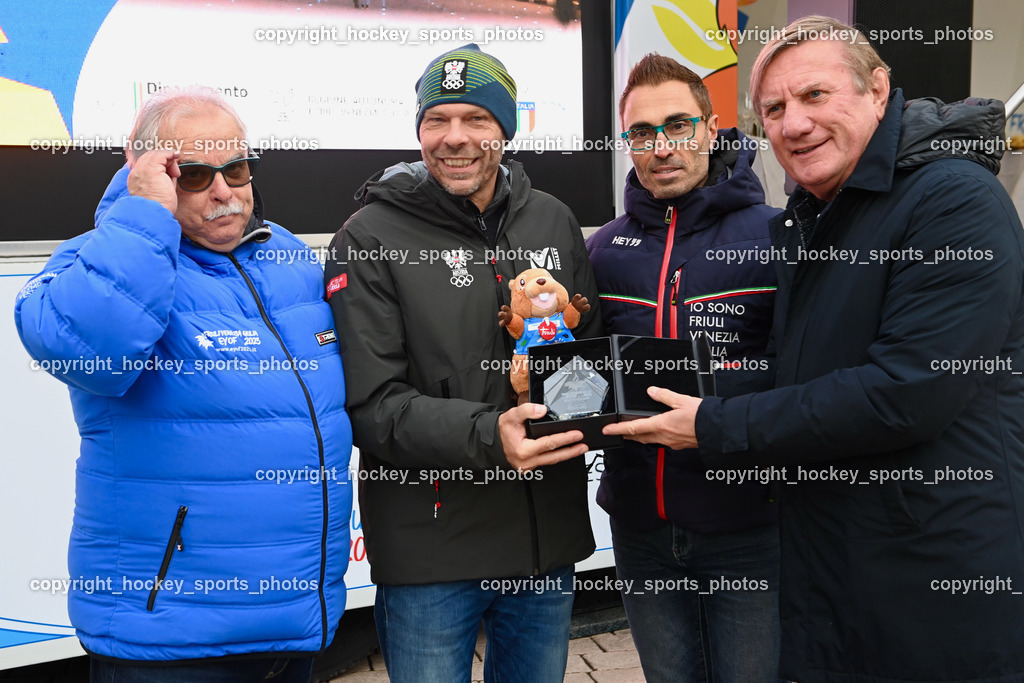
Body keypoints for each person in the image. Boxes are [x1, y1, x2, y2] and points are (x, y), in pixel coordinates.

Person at [605, 15, 1024, 683]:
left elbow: (904, 393)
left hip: (934, 573)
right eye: (774, 107)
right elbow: (797, 373)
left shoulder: (951, 200)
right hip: (836, 560)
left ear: (878, 89)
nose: (793, 124)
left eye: (814, 96)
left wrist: (711, 424)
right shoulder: (822, 215)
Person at [15, 86, 352, 682]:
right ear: (147, 172)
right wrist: (144, 216)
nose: (224, 190)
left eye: (237, 168)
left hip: (290, 623)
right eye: (193, 174)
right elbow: (86, 346)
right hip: (170, 635)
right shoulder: (101, 260)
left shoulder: (290, 258)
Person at [324, 44, 602, 683]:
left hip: (542, 542)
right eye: (436, 120)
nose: (455, 139)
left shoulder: (554, 219)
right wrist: (490, 434)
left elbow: (586, 360)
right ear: (418, 129)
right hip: (432, 550)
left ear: (506, 128)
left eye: (476, 119)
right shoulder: (368, 237)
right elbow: (372, 407)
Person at [586, 54, 781, 682]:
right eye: (641, 132)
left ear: (710, 125)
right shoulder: (603, 250)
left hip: (747, 525)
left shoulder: (777, 237)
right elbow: (583, 373)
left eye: (678, 125)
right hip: (641, 526)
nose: (661, 146)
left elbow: (806, 375)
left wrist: (716, 410)